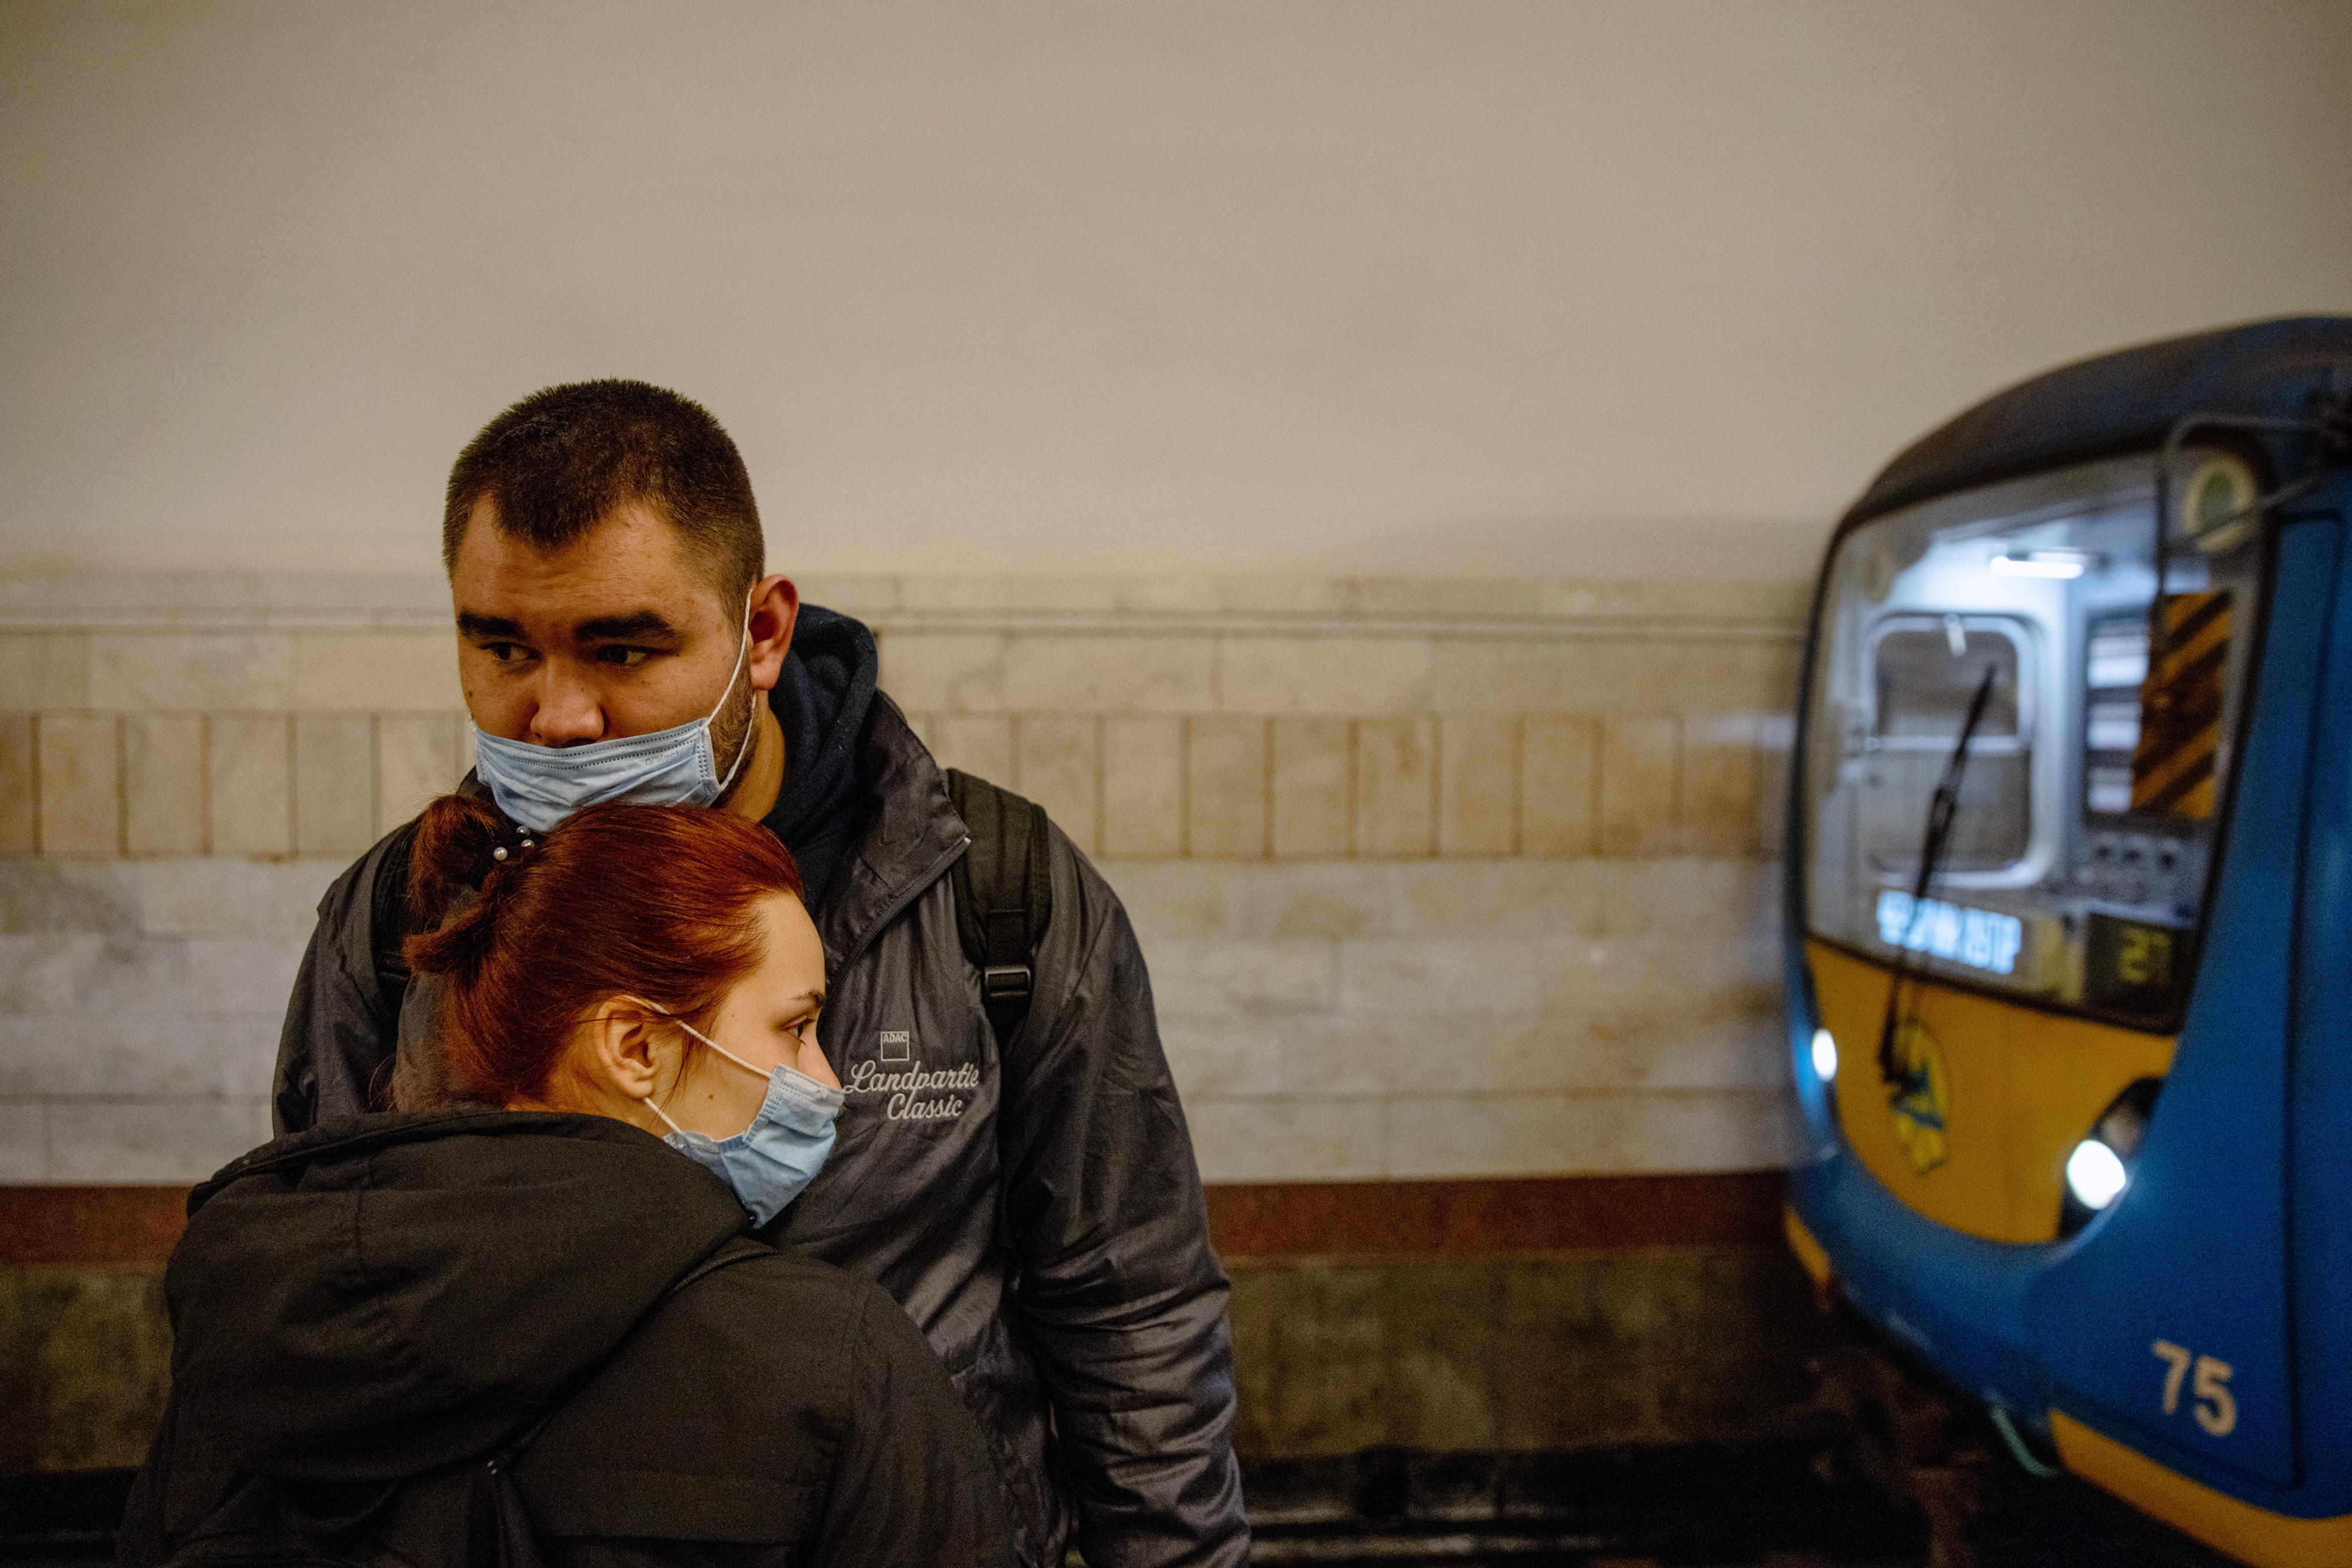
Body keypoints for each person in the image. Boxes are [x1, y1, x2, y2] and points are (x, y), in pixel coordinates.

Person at [272, 381, 1247, 1568]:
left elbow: (1133, 1313)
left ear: (764, 632)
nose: (561, 716)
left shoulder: (995, 898)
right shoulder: (404, 923)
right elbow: (320, 1323)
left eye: (625, 649)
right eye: (502, 648)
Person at [122, 800, 1012, 1568]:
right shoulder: (832, 1360)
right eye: (796, 1026)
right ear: (634, 1047)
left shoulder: (251, 1326)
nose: (826, 1078)